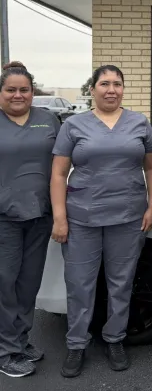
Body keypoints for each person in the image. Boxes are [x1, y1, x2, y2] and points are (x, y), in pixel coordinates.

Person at [50, 65, 152, 378]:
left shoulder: (139, 122)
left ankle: (115, 339)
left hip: (127, 217)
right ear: (93, 89)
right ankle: (76, 344)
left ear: (123, 89)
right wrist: (60, 216)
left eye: (117, 84)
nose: (111, 89)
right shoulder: (74, 125)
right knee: (80, 284)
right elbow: (58, 173)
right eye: (104, 83)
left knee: (121, 282)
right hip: (82, 217)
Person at [0, 61, 61, 378]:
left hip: (40, 215)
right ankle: (6, 350)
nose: (18, 95)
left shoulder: (48, 120)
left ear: (32, 92)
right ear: (1, 92)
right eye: (11, 89)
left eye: (24, 89)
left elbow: (62, 163)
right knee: (4, 285)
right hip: (4, 218)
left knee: (28, 285)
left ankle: (20, 341)